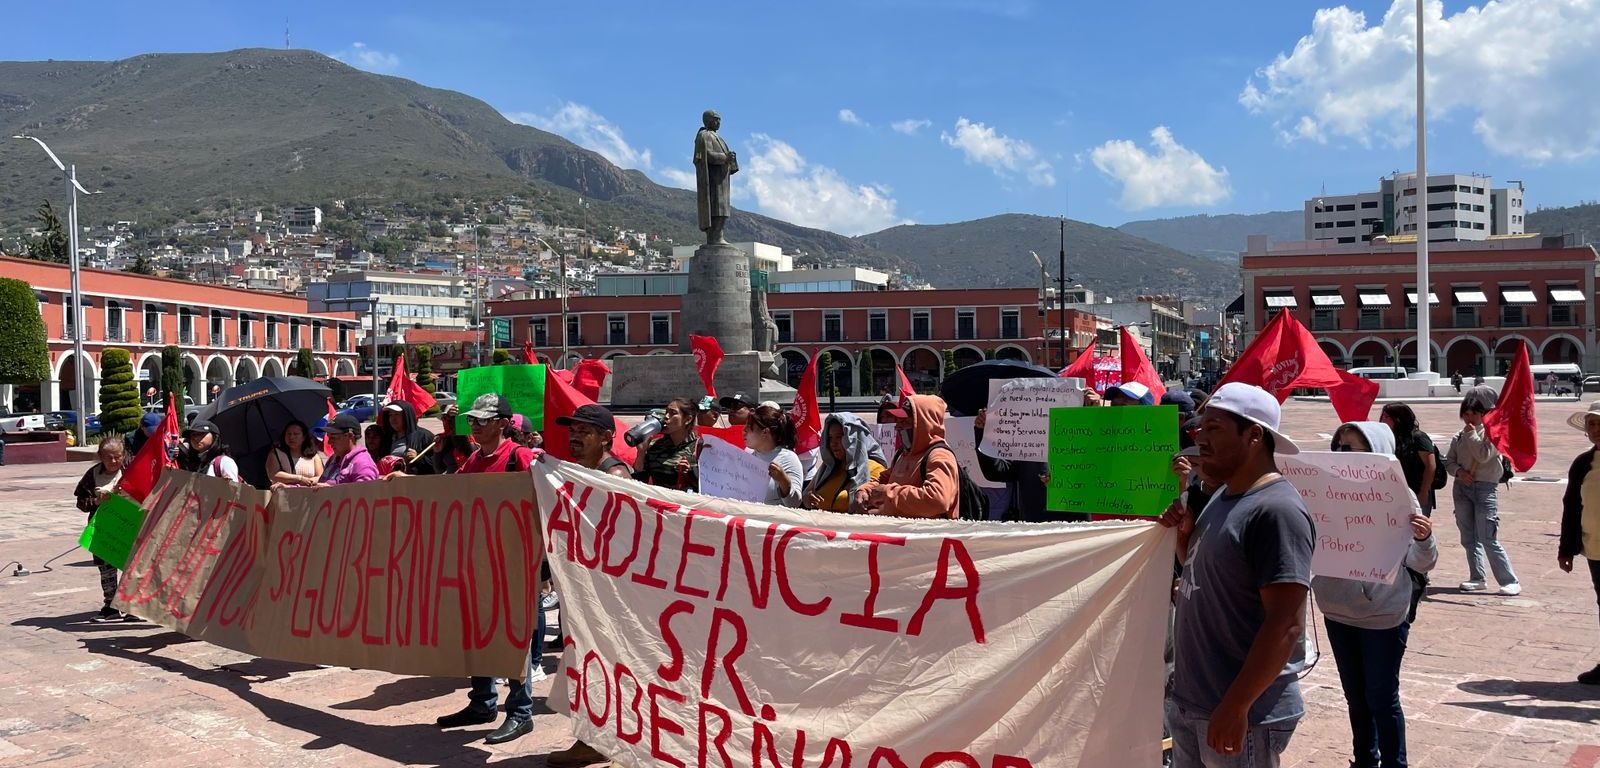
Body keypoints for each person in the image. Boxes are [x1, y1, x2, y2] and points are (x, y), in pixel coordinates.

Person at [1158, 382, 1312, 767]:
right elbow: (1204, 576)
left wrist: (1236, 705)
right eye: (1199, 430)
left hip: (1240, 713)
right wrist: (1184, 539)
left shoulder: (1276, 510)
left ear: (1254, 436)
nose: (1200, 439)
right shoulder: (1223, 497)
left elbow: (1285, 624)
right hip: (1195, 701)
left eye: (1214, 429)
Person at [1317, 422, 1438, 768]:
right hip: (1336, 609)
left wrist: (1423, 537)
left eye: (1351, 448)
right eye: (1338, 446)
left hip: (1382, 615)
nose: (1342, 454)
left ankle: (1394, 763)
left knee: (1381, 697)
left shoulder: (1399, 496)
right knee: (1355, 697)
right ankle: (1364, 760)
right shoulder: (1324, 490)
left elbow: (1425, 561)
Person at [429, 394, 545, 745]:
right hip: (476, 563)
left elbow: (544, 501)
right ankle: (482, 703)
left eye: (483, 420)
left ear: (503, 423)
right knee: (477, 633)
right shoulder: (475, 460)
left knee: (513, 636)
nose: (475, 426)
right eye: (473, 421)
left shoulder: (519, 458)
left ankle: (521, 712)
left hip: (512, 565)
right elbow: (454, 493)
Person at [544, 403, 630, 768]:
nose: (575, 436)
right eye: (573, 430)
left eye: (585, 431)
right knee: (587, 662)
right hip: (583, 586)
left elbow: (624, 537)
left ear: (607, 438)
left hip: (609, 592)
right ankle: (592, 737)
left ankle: (607, 742)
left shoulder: (616, 476)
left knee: (605, 664)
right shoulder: (580, 472)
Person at [1443, 386, 1520, 595]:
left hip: (1485, 488)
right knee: (1468, 537)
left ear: (1482, 414)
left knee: (1488, 536)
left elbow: (1483, 455)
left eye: (1474, 413)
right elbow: (1449, 462)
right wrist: (1459, 472)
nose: (1469, 418)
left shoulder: (1491, 434)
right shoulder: (1458, 436)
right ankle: (1477, 576)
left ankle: (1509, 579)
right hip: (1462, 488)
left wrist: (1471, 434)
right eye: (1465, 413)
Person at [855, 394, 960, 519]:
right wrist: (865, 489)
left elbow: (938, 499)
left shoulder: (939, 455)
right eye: (898, 421)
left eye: (904, 422)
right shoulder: (903, 454)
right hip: (903, 532)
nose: (898, 426)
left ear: (924, 424)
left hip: (930, 536)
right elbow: (883, 480)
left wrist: (889, 494)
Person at [973, 407, 1085, 522]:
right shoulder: (1027, 440)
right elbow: (997, 472)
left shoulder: (1085, 432)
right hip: (1035, 526)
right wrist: (983, 432)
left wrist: (1101, 410)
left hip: (1079, 528)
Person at [1560, 401, 1600, 685]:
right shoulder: (1583, 463)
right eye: (1592, 425)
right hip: (1595, 547)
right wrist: (1566, 549)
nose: (1596, 430)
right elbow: (1572, 505)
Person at [75, 437, 135, 623]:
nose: (114, 461)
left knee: (131, 567)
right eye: (109, 457)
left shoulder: (131, 470)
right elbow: (81, 503)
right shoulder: (92, 475)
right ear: (100, 456)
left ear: (123, 455)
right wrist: (96, 501)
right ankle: (111, 606)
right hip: (103, 529)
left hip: (129, 526)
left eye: (117, 457)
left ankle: (132, 606)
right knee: (106, 569)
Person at [803, 413, 887, 513]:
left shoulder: (875, 469)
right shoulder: (827, 468)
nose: (833, 443)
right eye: (830, 438)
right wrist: (808, 497)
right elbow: (806, 494)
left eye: (839, 437)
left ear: (855, 439)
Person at [1380, 403, 1437, 517]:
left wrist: (1424, 492)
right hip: (1396, 492)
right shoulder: (1391, 438)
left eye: (1387, 417)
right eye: (1383, 416)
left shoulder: (1418, 437)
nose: (1383, 420)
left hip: (1417, 491)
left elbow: (1430, 465)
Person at [742, 404, 803, 507]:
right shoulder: (747, 455)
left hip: (773, 521)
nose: (744, 432)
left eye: (749, 428)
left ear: (765, 432)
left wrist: (783, 481)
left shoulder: (788, 459)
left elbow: (794, 504)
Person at [632, 397, 699, 491]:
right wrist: (641, 453)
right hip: (660, 501)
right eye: (666, 412)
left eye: (673, 413)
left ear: (688, 419)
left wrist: (690, 472)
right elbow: (638, 482)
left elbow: (709, 484)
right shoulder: (655, 446)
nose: (666, 416)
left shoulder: (700, 448)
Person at [315, 414, 378, 486]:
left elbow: (366, 494)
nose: (329, 442)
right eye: (329, 437)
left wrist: (331, 490)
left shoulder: (362, 464)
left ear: (350, 436)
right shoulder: (334, 459)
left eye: (333, 437)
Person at [378, 402, 436, 475]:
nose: (393, 418)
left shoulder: (424, 436)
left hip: (415, 483)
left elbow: (437, 463)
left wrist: (419, 458)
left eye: (397, 414)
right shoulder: (386, 439)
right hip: (390, 483)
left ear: (406, 416)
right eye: (390, 415)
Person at [266, 420, 324, 488]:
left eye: (296, 434)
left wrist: (309, 481)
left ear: (304, 437)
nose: (291, 437)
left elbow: (320, 477)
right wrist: (300, 479)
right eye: (288, 434)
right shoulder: (276, 453)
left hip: (309, 494)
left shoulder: (314, 456)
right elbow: (273, 475)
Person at [176, 422, 241, 481]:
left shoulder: (224, 462)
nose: (195, 438)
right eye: (193, 435)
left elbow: (235, 491)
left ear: (214, 436)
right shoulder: (191, 463)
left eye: (201, 433)